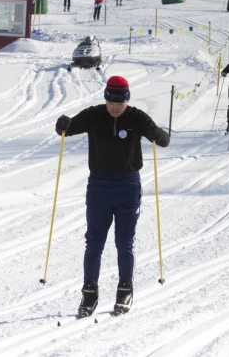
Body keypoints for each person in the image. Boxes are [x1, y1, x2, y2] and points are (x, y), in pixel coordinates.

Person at [54, 76, 170, 317]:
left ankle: (125, 289)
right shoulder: (94, 115)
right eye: (110, 101)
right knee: (94, 242)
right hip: (99, 186)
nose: (114, 107)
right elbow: (68, 128)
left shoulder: (136, 117)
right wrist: (62, 124)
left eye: (119, 102)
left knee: (123, 243)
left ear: (127, 99)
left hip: (127, 186)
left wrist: (158, 134)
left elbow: (164, 141)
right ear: (105, 98)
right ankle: (89, 293)